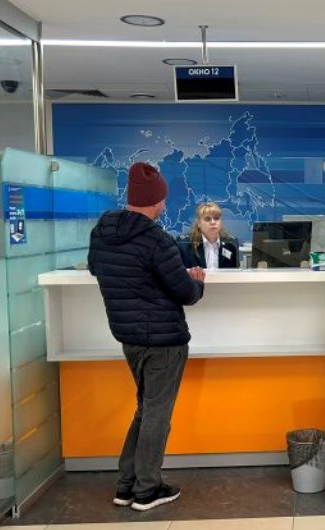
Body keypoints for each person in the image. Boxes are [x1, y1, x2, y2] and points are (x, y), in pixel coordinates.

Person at [87, 161, 206, 512]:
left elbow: (95, 268)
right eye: (163, 199)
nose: (165, 205)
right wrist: (198, 283)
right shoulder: (157, 240)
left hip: (128, 338)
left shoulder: (102, 232)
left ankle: (126, 485)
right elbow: (185, 292)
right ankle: (147, 489)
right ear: (157, 201)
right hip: (164, 341)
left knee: (145, 410)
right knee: (157, 415)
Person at [178, 202, 240, 270]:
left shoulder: (231, 243)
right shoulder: (185, 244)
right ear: (199, 223)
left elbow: (235, 271)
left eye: (216, 218)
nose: (213, 222)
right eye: (207, 219)